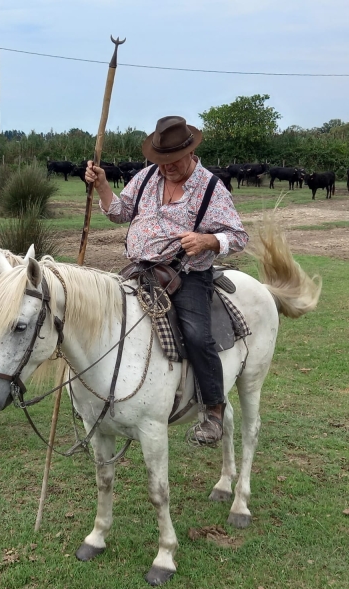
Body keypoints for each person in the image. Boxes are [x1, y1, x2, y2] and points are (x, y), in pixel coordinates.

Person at [85, 116, 248, 446]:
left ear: (190, 153)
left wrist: (209, 242)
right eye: (161, 161)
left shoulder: (211, 188)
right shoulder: (147, 176)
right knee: (103, 319)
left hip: (186, 275)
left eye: (173, 161)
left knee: (197, 335)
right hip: (139, 270)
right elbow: (119, 211)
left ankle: (213, 409)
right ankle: (107, 397)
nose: (167, 167)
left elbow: (239, 236)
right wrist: (102, 185)